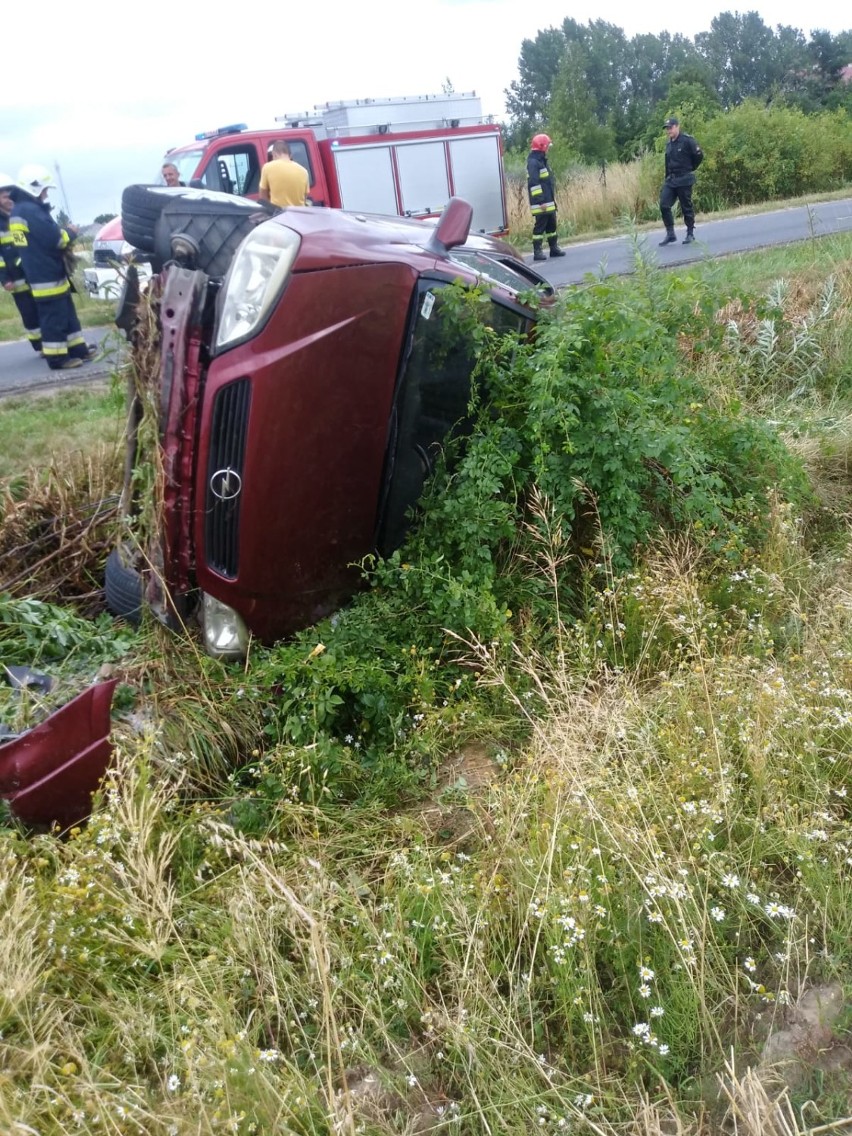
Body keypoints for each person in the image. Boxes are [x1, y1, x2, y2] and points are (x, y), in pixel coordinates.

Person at [9, 164, 96, 371]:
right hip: (45, 273)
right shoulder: (30, 211)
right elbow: (54, 240)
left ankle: (77, 350)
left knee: (65, 313)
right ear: (35, 187)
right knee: (53, 317)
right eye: (45, 190)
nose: (46, 194)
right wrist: (70, 232)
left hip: (43, 271)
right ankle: (57, 359)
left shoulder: (20, 211)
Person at [0, 172, 42, 353]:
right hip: (15, 277)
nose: (8, 198)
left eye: (10, 193)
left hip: (34, 271)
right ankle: (39, 344)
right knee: (29, 312)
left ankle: (53, 342)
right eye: (3, 195)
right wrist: (4, 278)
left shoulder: (23, 213)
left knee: (45, 309)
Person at [659, 116, 703, 246]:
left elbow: (699, 156)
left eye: (671, 128)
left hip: (684, 178)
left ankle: (690, 233)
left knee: (686, 207)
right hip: (671, 180)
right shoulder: (669, 144)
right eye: (667, 129)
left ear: (677, 126)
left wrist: (690, 168)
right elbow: (668, 163)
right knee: (664, 205)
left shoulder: (687, 141)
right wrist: (667, 177)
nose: (669, 131)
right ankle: (670, 233)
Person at [527, 133, 565, 262]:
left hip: (548, 200)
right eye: (547, 146)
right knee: (540, 227)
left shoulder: (541, 161)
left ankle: (553, 249)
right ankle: (537, 252)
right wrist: (541, 201)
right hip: (542, 202)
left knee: (551, 226)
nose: (548, 148)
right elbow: (534, 184)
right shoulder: (533, 162)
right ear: (542, 146)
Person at [258, 140, 310, 209]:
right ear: (290, 155)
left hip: (279, 216)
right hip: (299, 215)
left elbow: (263, 196)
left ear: (274, 154)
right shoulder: (304, 171)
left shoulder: (267, 167)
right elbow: (305, 196)